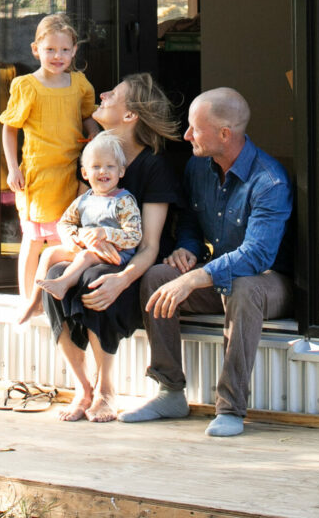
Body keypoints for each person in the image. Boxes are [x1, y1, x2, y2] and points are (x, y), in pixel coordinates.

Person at [120, 87, 293, 438]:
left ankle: (230, 408)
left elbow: (257, 256)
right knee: (157, 276)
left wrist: (197, 276)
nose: (186, 136)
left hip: (269, 282)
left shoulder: (268, 180)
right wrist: (187, 249)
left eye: (194, 129)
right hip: (217, 277)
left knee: (244, 287)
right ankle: (169, 392)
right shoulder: (198, 167)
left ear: (224, 134)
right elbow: (190, 222)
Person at [40, 73, 185, 423]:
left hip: (133, 268)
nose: (102, 94)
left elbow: (149, 245)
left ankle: (107, 390)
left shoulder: (154, 167)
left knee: (98, 276)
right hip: (92, 258)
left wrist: (121, 280)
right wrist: (78, 239)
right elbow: (73, 221)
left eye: (113, 94)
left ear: (131, 115)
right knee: (55, 277)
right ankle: (82, 388)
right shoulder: (94, 159)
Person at [0, 14, 98, 312]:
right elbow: (10, 127)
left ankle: (48, 298)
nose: (58, 56)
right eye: (50, 50)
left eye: (64, 50)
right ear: (35, 49)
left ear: (75, 50)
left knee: (61, 239)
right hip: (39, 175)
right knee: (33, 239)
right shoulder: (27, 85)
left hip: (70, 172)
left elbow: (87, 115)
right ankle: (26, 298)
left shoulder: (79, 83)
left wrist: (94, 134)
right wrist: (12, 167)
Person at [42, 132, 142, 303]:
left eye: (110, 166)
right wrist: (73, 238)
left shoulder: (123, 201)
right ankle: (37, 299)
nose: (103, 171)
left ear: (121, 171)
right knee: (49, 253)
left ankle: (62, 283)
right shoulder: (83, 200)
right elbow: (64, 223)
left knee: (85, 257)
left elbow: (134, 236)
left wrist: (106, 233)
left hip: (116, 255)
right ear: (85, 173)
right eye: (96, 167)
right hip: (86, 248)